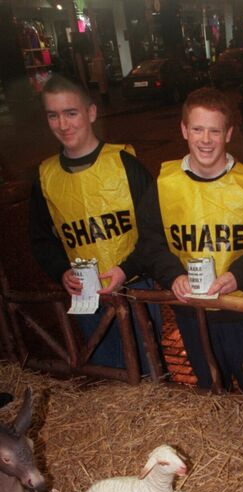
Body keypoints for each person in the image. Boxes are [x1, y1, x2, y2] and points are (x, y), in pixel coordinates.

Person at [135, 87, 243, 391]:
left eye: (214, 131)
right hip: (192, 315)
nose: (205, 140)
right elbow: (149, 241)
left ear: (228, 133)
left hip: (242, 314)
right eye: (197, 129)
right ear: (184, 130)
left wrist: (238, 275)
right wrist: (173, 275)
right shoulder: (164, 185)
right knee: (209, 394)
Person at [29, 74, 161, 372]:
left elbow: (156, 229)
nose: (63, 125)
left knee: (149, 374)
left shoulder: (125, 164)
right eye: (54, 115)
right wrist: (60, 270)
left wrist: (127, 269)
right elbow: (40, 239)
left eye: (71, 113)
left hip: (135, 291)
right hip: (87, 300)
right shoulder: (44, 177)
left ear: (90, 112)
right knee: (107, 376)